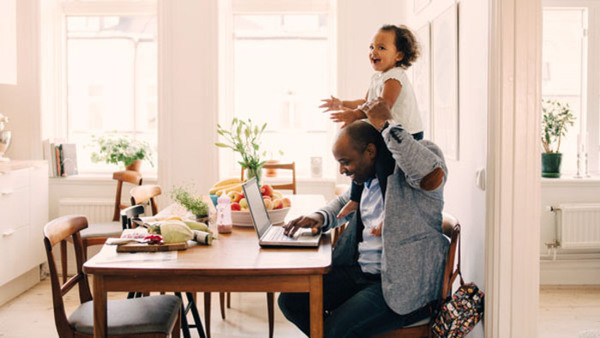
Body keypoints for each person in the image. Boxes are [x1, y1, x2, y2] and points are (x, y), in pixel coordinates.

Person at [278, 98, 448, 337]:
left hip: (399, 288)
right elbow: (343, 202)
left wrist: (385, 124)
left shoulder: (419, 160)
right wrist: (319, 217)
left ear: (370, 151)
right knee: (290, 300)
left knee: (335, 331)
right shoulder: (369, 177)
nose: (342, 170)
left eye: (345, 162)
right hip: (359, 273)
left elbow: (431, 175)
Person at [320, 24, 424, 220]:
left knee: (384, 166)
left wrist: (355, 115)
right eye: (371, 47)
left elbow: (382, 107)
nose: (373, 52)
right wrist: (342, 103)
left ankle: (388, 211)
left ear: (399, 55)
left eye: (381, 48)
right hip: (386, 131)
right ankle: (355, 199)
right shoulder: (377, 77)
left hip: (406, 134)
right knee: (360, 159)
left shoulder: (395, 77)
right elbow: (365, 103)